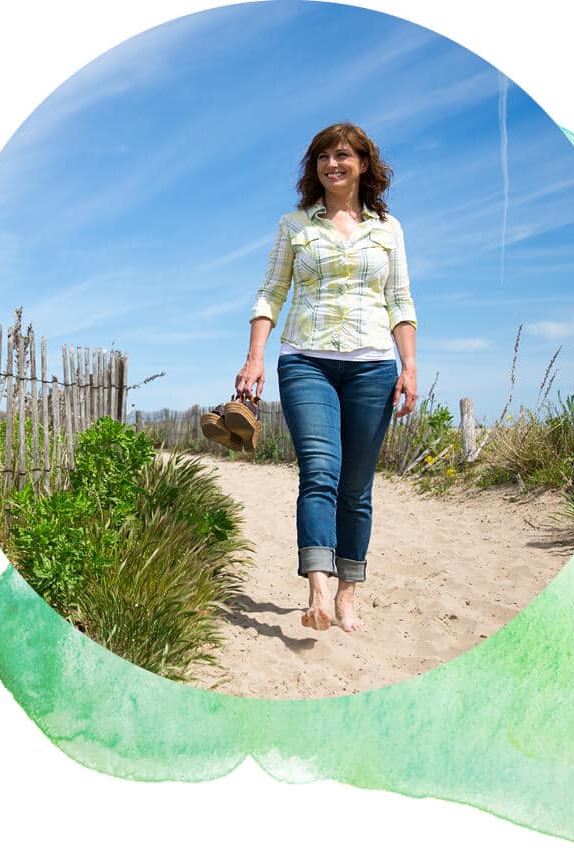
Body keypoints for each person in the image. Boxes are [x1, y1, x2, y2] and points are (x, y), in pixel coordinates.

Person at [234, 122, 418, 633]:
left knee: (356, 488)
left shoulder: (388, 229)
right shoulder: (294, 226)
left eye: (342, 156)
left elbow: (400, 300)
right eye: (322, 157)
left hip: (373, 366)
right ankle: (316, 588)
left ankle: (346, 594)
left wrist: (409, 367)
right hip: (305, 361)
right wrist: (254, 358)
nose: (331, 165)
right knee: (319, 471)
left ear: (363, 164)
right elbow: (271, 292)